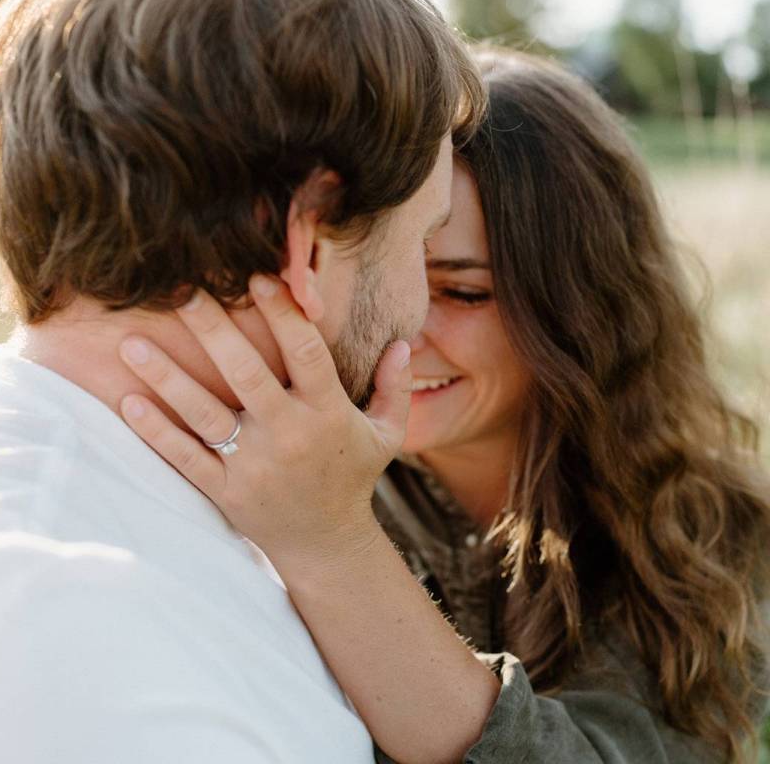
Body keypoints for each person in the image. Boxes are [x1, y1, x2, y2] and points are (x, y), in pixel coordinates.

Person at [123, 50, 770, 764]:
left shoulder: (709, 535)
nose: (401, 326)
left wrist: (331, 544)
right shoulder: (262, 464)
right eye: (379, 279)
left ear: (582, 313)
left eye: (462, 292)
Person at [0, 0, 486, 761]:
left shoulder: (164, 498)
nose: (417, 314)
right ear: (305, 242)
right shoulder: (72, 638)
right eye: (421, 242)